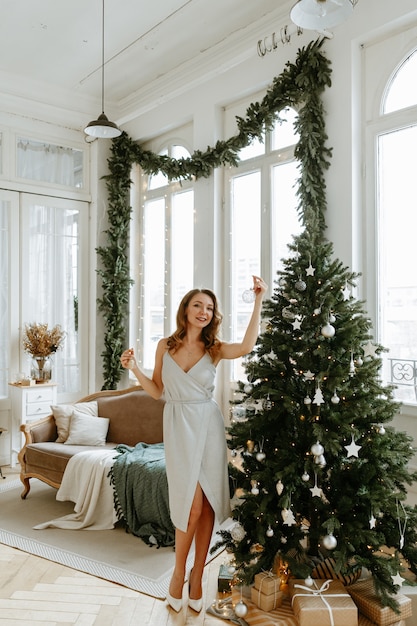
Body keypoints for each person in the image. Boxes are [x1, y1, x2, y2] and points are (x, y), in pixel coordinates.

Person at [120, 275, 267, 613]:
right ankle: (177, 575)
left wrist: (259, 300)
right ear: (185, 309)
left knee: (208, 504)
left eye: (210, 308)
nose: (204, 311)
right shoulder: (165, 346)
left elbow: (246, 347)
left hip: (208, 425)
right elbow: (159, 391)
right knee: (191, 505)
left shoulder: (213, 349)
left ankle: (197, 576)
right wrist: (136, 370)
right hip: (177, 426)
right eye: (198, 305)